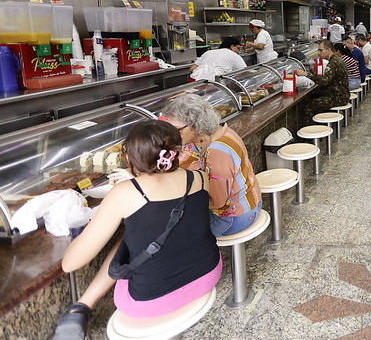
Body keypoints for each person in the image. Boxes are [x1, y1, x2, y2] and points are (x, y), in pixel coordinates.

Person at [53, 121, 221, 339]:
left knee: (128, 245)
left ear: (129, 158)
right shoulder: (199, 177)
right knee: (137, 239)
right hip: (208, 272)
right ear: (176, 152)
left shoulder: (125, 193)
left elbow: (69, 264)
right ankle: (82, 305)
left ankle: (82, 305)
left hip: (149, 300)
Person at [161, 94, 262, 237]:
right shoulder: (217, 132)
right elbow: (189, 157)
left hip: (234, 216)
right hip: (251, 200)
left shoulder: (218, 151)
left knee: (176, 236)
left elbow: (217, 202)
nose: (172, 135)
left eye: (176, 130)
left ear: (195, 125)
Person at [295, 39, 350, 124]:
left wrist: (306, 74)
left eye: (321, 50)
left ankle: (312, 130)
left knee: (309, 106)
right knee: (315, 95)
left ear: (328, 50)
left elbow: (324, 80)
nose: (319, 53)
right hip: (341, 94)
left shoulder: (333, 62)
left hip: (338, 97)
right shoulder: (336, 59)